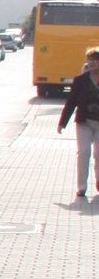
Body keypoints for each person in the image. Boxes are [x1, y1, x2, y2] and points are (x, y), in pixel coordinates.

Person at [58, 47, 99, 197]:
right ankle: (82, 187)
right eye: (89, 59)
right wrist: (63, 122)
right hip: (84, 122)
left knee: (98, 154)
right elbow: (71, 102)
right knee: (83, 152)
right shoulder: (81, 80)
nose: (91, 62)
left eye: (95, 59)